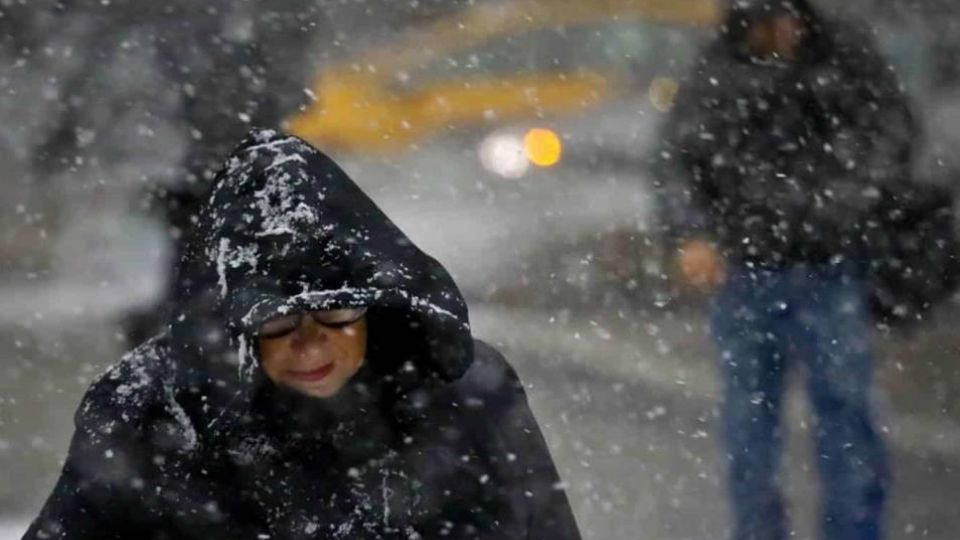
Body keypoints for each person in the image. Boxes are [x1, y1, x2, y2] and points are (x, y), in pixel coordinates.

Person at [24, 129, 581, 539]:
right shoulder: (148, 408)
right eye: (277, 321)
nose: (311, 345)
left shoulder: (462, 392)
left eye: (338, 315)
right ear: (231, 324)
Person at [656, 1, 916, 539]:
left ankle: (852, 530)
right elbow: (678, 160)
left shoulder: (844, 58)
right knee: (753, 426)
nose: (776, 37)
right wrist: (690, 234)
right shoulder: (719, 70)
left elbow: (891, 137)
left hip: (828, 268)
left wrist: (846, 203)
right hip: (748, 272)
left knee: (840, 419)